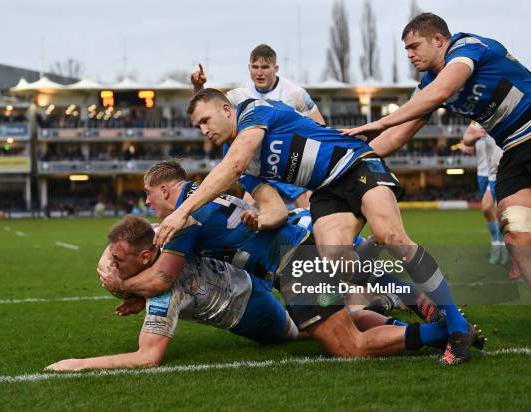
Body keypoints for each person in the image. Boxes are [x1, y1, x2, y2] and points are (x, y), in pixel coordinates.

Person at [156, 88, 480, 364]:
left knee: (391, 235)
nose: (203, 130)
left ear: (226, 109)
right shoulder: (236, 157)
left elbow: (234, 164)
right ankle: (411, 301)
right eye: (197, 126)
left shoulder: (252, 112)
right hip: (325, 190)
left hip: (353, 164)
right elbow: (273, 206)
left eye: (204, 121)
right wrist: (260, 218)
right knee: (334, 261)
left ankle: (455, 324)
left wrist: (181, 211)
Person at [45, 216, 390, 371]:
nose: (114, 265)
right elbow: (124, 245)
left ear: (146, 257)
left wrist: (80, 364)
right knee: (325, 310)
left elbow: (146, 358)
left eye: (119, 260)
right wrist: (127, 285)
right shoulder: (161, 236)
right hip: (246, 274)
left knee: (309, 328)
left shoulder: (166, 290)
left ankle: (389, 320)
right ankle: (369, 294)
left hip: (249, 309)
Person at [343, 12, 530, 285]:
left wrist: (381, 121)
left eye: (414, 46)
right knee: (516, 234)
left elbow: (443, 90)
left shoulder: (467, 48)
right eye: (406, 49)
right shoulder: (428, 85)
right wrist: (349, 159)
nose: (409, 54)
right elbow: (396, 137)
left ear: (439, 40)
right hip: (513, 148)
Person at [191, 44, 321, 208]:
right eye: (255, 66)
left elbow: (318, 126)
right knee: (248, 209)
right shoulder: (238, 96)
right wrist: (198, 87)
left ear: (276, 68)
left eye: (265, 67)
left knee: (308, 208)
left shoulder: (296, 93)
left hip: (288, 163)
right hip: (257, 168)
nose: (259, 72)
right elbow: (209, 111)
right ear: (249, 68)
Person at [462, 122, 509, 266]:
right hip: (483, 173)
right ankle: (498, 243)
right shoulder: (477, 121)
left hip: (498, 172)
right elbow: (466, 144)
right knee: (491, 211)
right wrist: (477, 136)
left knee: (488, 207)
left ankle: (500, 245)